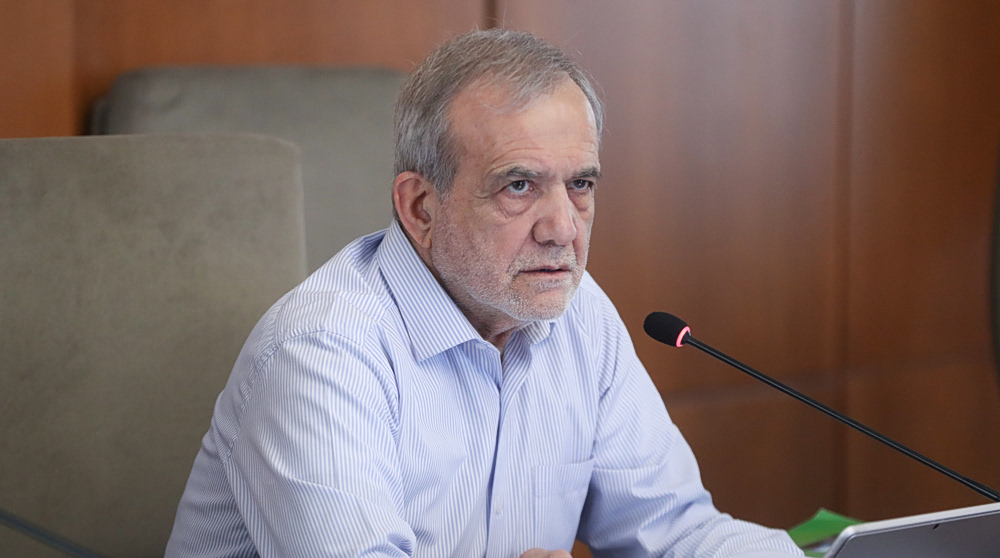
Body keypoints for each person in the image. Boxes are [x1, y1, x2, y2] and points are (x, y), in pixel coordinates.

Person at [165, 29, 804, 558]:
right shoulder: (321, 350)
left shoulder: (580, 314)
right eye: (519, 186)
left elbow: (676, 532)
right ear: (421, 207)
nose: (563, 229)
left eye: (580, 185)